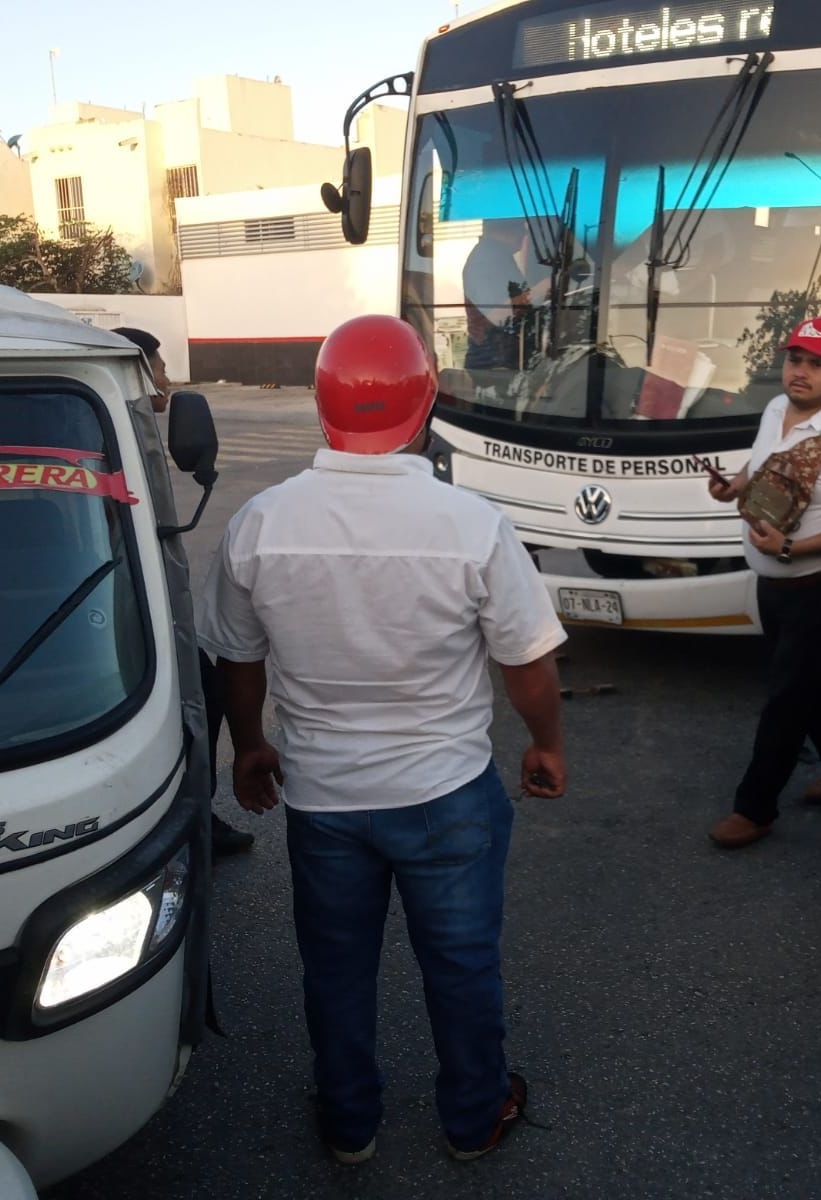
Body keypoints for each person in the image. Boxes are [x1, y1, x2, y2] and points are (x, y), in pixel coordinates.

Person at [198, 314, 568, 1162]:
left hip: (323, 801)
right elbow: (528, 664)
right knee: (462, 966)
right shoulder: (472, 523)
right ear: (427, 399)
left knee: (336, 972)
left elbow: (236, 655)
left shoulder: (261, 521)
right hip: (447, 796)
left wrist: (250, 745)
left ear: (321, 403)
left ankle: (349, 1123)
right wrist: (546, 741)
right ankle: (474, 1119)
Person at [705, 316, 821, 849]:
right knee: (813, 686)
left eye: (816, 363)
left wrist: (791, 548)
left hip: (820, 586)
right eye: (795, 360)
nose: (801, 372)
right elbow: (761, 467)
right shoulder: (774, 410)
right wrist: (732, 486)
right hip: (773, 586)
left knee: (787, 698)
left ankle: (755, 807)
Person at [113, 326, 255, 857]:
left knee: (202, 691)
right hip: (110, 598)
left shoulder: (126, 428)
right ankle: (185, 815)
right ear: (140, 372)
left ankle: (195, 807)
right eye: (161, 365)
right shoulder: (110, 424)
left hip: (135, 594)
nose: (168, 376)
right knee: (195, 695)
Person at [462, 218, 545, 371]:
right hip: (493, 363)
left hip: (501, 356)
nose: (524, 235)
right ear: (504, 227)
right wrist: (541, 290)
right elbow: (495, 314)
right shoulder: (485, 260)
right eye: (521, 228)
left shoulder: (498, 256)